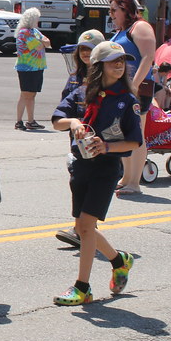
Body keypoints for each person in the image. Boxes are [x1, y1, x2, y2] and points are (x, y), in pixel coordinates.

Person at [51, 41, 140, 305]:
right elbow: (57, 121)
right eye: (114, 61)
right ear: (98, 66)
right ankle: (119, 259)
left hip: (106, 167)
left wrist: (107, 146)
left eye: (122, 61)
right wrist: (75, 122)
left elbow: (135, 141)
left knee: (87, 226)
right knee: (81, 227)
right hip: (80, 165)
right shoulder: (80, 93)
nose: (119, 65)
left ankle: (82, 288)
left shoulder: (126, 101)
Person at [53, 29, 103, 249]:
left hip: (99, 140)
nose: (85, 54)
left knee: (90, 183)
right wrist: (72, 123)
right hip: (77, 140)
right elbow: (64, 106)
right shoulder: (75, 77)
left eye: (90, 50)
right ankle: (82, 227)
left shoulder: (108, 77)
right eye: (82, 49)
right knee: (78, 181)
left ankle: (84, 228)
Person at [109, 0, 156, 196]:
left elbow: (148, 57)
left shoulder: (140, 27)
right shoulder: (122, 30)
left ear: (126, 10)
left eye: (113, 10)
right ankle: (126, 177)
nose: (110, 15)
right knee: (124, 134)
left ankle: (134, 182)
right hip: (121, 88)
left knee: (136, 135)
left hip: (136, 88)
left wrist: (133, 86)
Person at [14, 7, 50, 130]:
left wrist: (42, 42)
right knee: (26, 94)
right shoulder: (25, 32)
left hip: (37, 67)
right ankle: (20, 121)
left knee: (31, 94)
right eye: (37, 19)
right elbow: (39, 46)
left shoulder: (34, 31)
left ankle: (30, 120)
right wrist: (42, 42)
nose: (38, 21)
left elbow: (48, 42)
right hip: (27, 67)